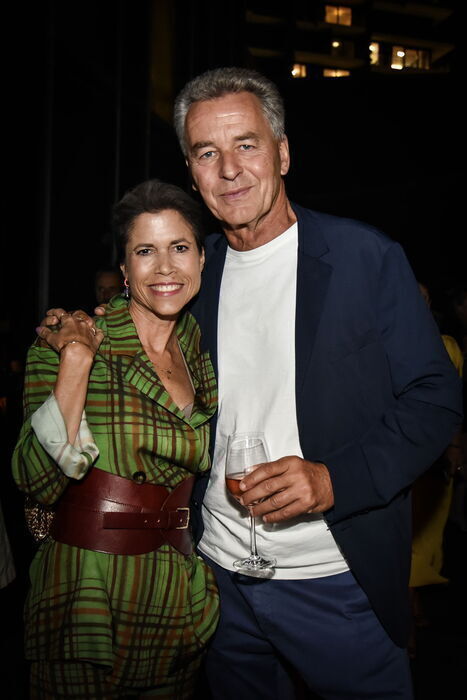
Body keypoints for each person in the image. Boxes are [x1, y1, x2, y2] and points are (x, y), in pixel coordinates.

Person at [41, 68, 462, 699]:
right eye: (208, 153)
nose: (230, 169)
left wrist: (335, 479)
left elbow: (436, 397)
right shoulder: (193, 274)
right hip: (217, 580)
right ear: (192, 173)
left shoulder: (364, 257)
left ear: (282, 153)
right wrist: (76, 330)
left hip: (333, 581)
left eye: (247, 144)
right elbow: (132, 338)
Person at [12, 179, 219, 699]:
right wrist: (76, 362)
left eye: (179, 247)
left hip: (176, 602)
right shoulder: (67, 343)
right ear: (125, 270)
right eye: (145, 251)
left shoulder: (205, 352)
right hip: (87, 599)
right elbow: (35, 478)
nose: (165, 267)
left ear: (200, 259)